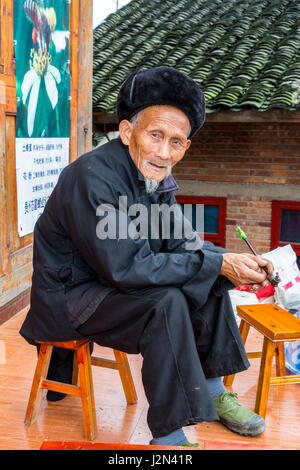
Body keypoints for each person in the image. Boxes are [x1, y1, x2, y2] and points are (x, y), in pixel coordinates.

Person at [20, 66, 273, 446]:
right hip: (72, 296)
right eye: (155, 135)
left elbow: (182, 244)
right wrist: (216, 261)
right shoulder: (92, 178)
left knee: (212, 275)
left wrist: (232, 260)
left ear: (186, 147)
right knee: (168, 301)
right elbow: (127, 267)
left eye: (176, 142)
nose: (163, 151)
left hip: (112, 282)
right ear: (127, 132)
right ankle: (169, 436)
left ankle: (214, 389)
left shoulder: (154, 177)